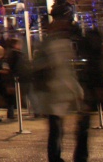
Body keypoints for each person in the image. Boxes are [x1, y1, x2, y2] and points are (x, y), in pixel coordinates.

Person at [31, 20, 82, 162]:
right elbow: (64, 71)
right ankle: (54, 157)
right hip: (54, 93)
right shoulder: (58, 46)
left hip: (53, 93)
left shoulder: (48, 45)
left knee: (56, 128)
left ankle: (55, 156)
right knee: (56, 129)